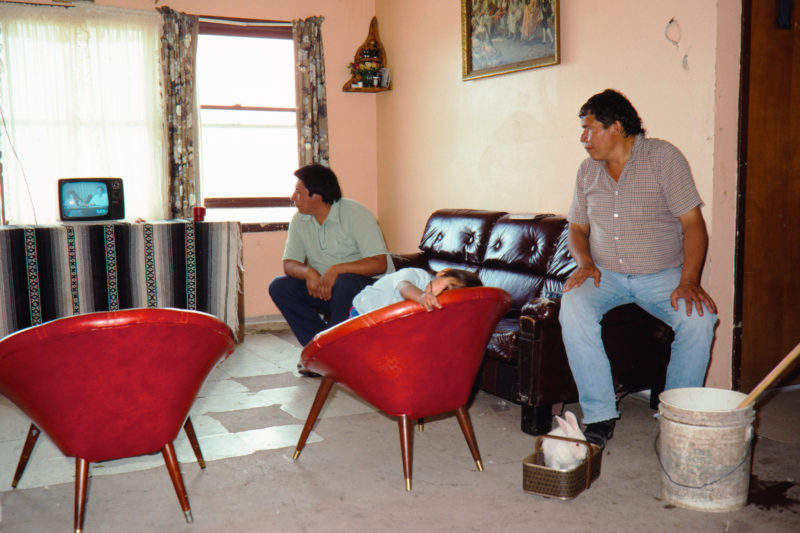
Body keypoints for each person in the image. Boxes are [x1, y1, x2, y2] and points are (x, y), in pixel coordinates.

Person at [559, 89, 718, 448]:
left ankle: (675, 418)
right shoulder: (587, 172)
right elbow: (577, 228)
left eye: (589, 129)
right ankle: (599, 415)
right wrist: (585, 263)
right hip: (605, 274)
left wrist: (689, 280)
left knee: (699, 319)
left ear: (616, 127)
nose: (583, 138)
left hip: (661, 275)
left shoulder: (663, 158)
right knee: (572, 305)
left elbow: (693, 224)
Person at [268, 164, 393, 374]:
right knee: (279, 286)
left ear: (317, 194)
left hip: (365, 291)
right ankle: (319, 351)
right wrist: (309, 273)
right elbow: (289, 263)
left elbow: (379, 263)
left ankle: (329, 355)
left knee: (345, 282)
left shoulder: (356, 214)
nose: (293, 197)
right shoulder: (300, 220)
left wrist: (337, 269)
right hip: (326, 289)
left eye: (299, 192)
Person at [350, 267, 482, 316]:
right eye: (446, 288)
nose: (441, 296)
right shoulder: (419, 275)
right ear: (443, 272)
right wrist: (421, 296)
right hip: (362, 312)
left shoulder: (435, 307)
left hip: (384, 324)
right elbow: (403, 286)